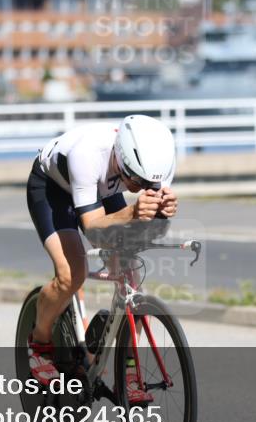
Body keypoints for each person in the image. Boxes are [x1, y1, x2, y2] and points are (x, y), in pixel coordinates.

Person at [25, 114, 178, 403]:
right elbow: (93, 227)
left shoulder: (158, 161)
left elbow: (150, 225)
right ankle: (40, 343)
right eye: (136, 180)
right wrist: (132, 212)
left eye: (148, 183)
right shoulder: (87, 153)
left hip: (105, 188)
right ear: (121, 159)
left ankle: (128, 370)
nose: (140, 187)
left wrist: (163, 211)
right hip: (54, 190)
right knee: (72, 274)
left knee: (130, 274)